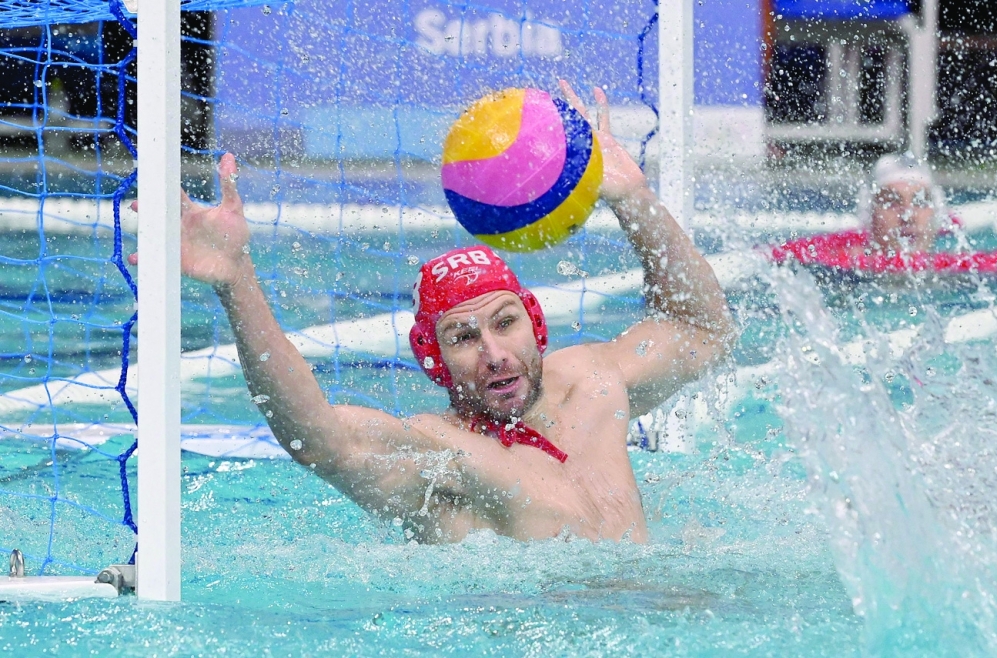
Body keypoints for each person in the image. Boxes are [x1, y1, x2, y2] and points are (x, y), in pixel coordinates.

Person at [131, 83, 736, 543]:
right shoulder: (442, 457)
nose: (494, 353)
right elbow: (320, 440)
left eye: (504, 323)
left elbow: (704, 331)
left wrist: (633, 197)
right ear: (433, 359)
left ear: (536, 322)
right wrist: (237, 281)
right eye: (463, 336)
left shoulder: (594, 383)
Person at [860, 152, 945, 255]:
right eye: (892, 202)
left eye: (920, 202)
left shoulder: (959, 265)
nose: (908, 216)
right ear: (869, 213)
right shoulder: (845, 266)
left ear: (935, 212)